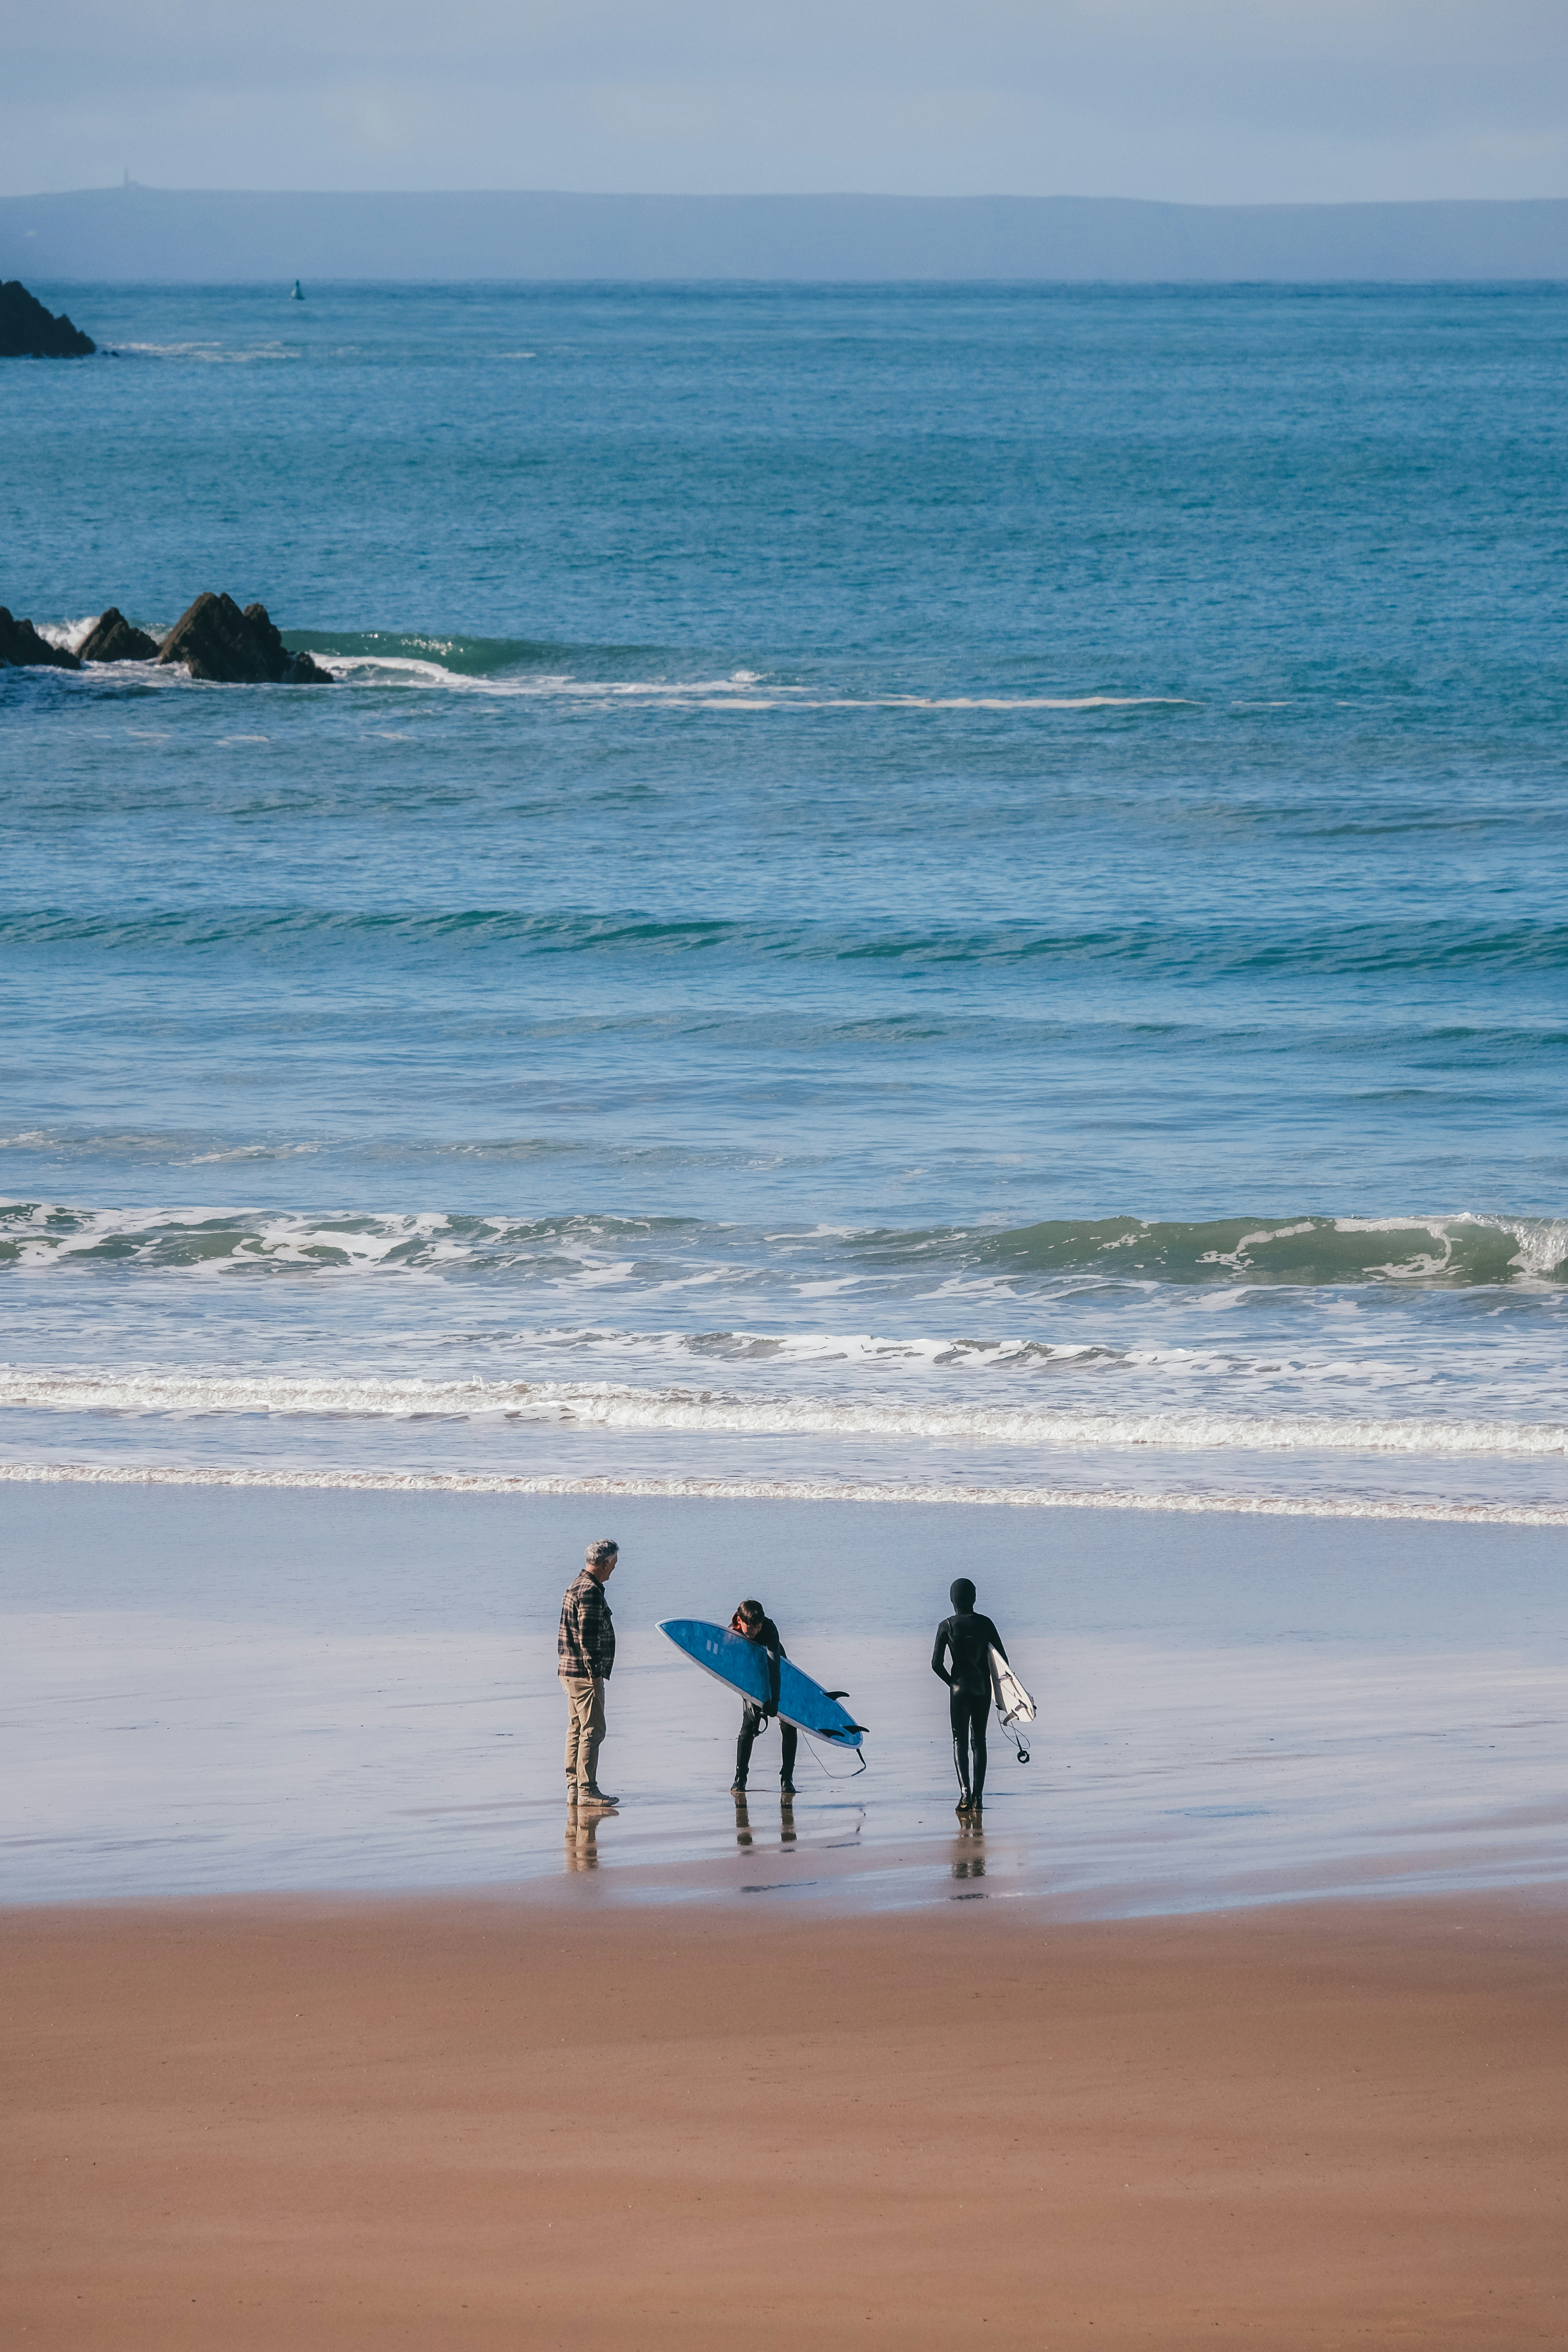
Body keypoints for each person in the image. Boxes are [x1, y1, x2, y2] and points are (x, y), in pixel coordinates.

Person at [931, 1577, 1008, 1817]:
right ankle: (979, 1797)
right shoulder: (986, 1624)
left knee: (959, 1741)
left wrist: (952, 1683)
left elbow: (936, 1664)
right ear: (974, 1598)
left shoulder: (947, 1625)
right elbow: (1002, 1662)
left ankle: (965, 1793)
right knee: (979, 1741)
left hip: (959, 1690)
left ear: (953, 1600)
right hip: (982, 1688)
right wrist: (1000, 1692)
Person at [559, 1538, 619, 1806]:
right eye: (613, 1563)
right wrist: (595, 1674)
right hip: (584, 1673)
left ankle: (574, 1788)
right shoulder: (591, 1592)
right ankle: (587, 1790)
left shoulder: (577, 1584)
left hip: (568, 1670)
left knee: (576, 1728)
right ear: (605, 1563)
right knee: (593, 1730)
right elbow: (589, 1639)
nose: (614, 1569)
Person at [729, 1599, 798, 1797]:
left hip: (774, 1662)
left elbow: (774, 1666)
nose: (756, 1631)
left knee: (788, 1723)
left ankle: (787, 1779)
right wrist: (748, 1699)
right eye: (752, 1628)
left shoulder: (769, 1630)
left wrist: (775, 1700)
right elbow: (734, 1674)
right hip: (749, 1676)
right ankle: (740, 1779)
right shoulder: (730, 1635)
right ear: (740, 1621)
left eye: (759, 1626)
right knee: (749, 1724)